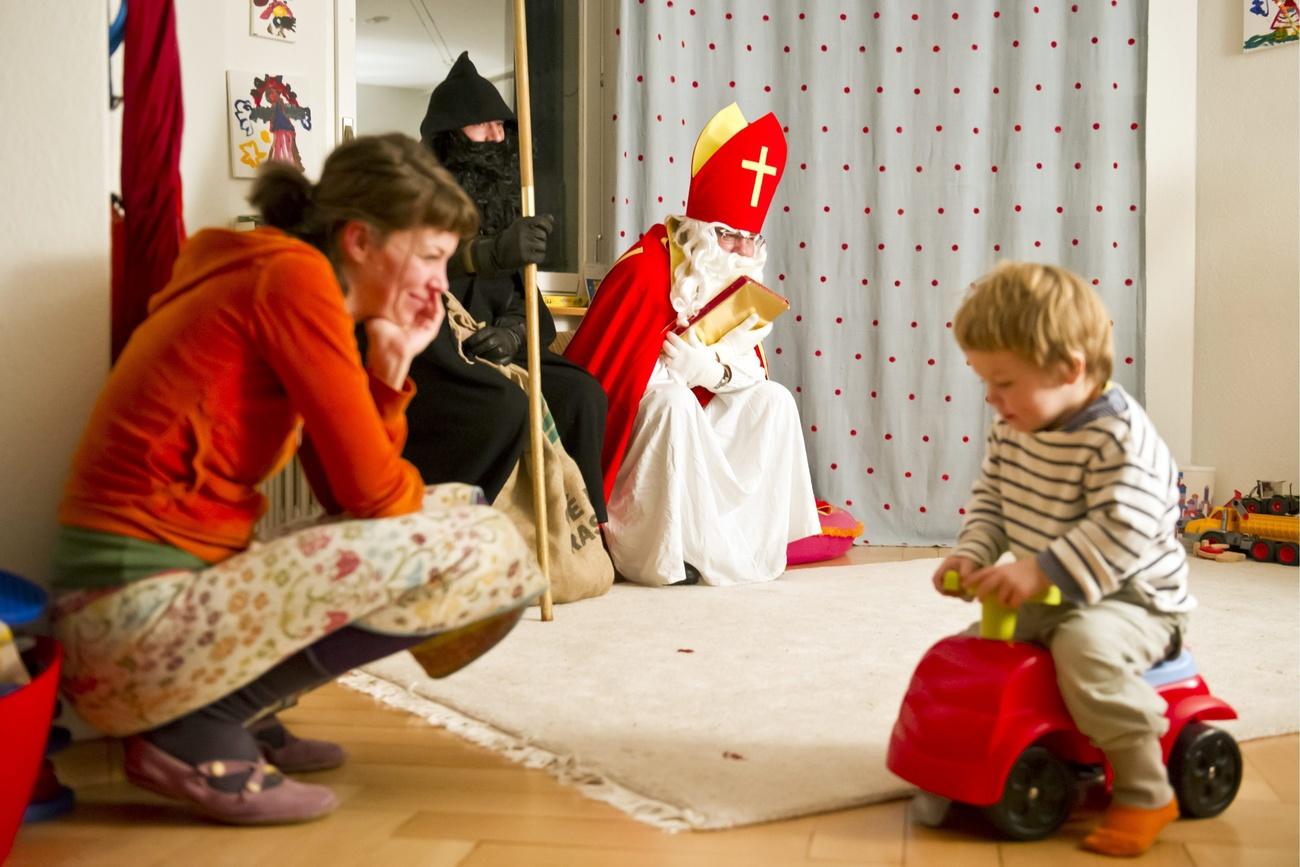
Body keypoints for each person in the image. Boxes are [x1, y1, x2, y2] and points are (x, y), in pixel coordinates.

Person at [50, 134, 546, 826]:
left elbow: (345, 494)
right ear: (361, 242)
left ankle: (233, 702)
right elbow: (374, 496)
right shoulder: (291, 281)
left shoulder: (280, 276)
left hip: (135, 622)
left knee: (459, 503)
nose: (441, 279)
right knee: (485, 541)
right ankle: (197, 728)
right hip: (130, 625)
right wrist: (389, 390)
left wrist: (392, 363)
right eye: (431, 255)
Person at [933, 261, 1194, 857]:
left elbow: (1121, 529)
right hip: (1053, 590)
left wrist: (1040, 570)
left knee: (1086, 651)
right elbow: (992, 501)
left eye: (1004, 382)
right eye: (984, 383)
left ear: (1070, 369)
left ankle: (1147, 791)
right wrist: (971, 555)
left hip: (1136, 603)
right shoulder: (1016, 424)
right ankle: (975, 763)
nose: (993, 400)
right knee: (980, 651)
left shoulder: (1120, 439)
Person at [563, 103, 820, 587]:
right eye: (728, 236)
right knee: (675, 404)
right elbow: (611, 383)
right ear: (700, 228)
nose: (743, 252)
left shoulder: (738, 276)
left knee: (775, 401)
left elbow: (751, 371)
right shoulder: (644, 271)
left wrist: (712, 369)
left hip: (704, 408)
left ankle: (746, 541)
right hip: (644, 431)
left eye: (751, 239)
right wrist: (675, 375)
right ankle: (660, 553)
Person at [411, 51, 608, 521]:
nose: (495, 137)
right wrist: (491, 252)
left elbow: (525, 298)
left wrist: (514, 333)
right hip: (442, 353)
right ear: (448, 138)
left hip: (505, 344)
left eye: (501, 126)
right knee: (505, 406)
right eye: (482, 127)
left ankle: (583, 531)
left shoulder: (508, 204)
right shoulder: (415, 198)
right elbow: (419, 268)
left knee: (583, 395)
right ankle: (476, 530)